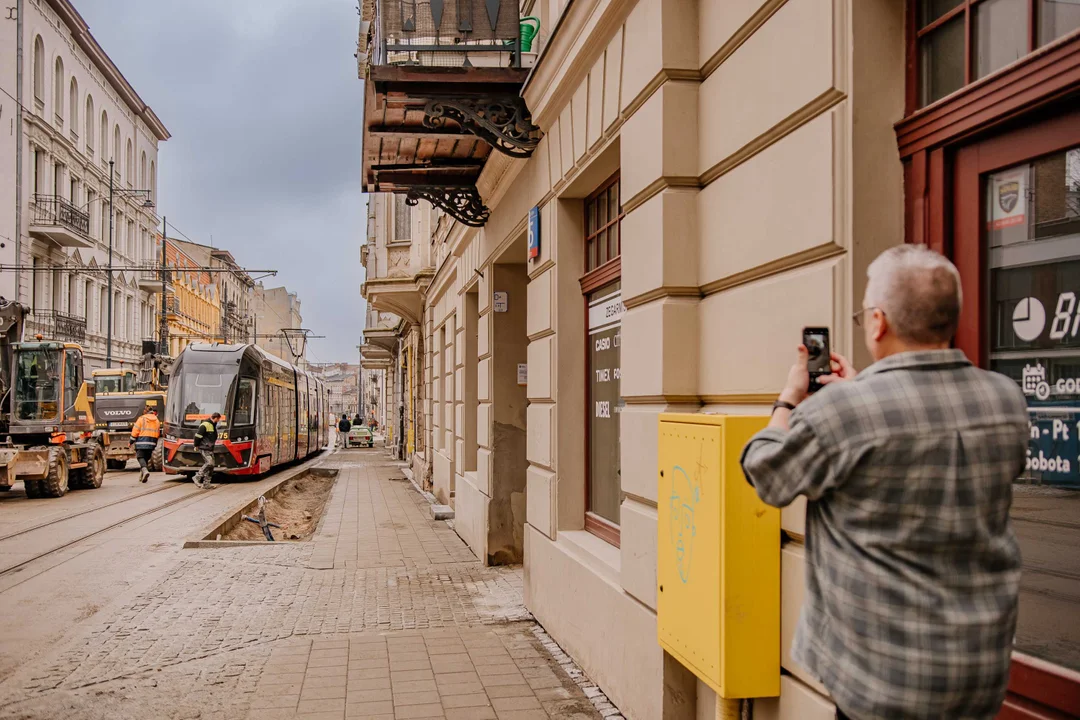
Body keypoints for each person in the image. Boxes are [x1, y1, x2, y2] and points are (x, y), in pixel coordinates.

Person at [740, 245, 1028, 720]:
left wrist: (788, 402)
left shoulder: (844, 411)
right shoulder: (1005, 400)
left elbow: (767, 474)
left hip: (882, 680)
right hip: (980, 670)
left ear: (878, 322)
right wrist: (862, 390)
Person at [130, 404, 161, 483]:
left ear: (145, 411)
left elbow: (135, 431)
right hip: (152, 443)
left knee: (140, 457)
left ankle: (144, 470)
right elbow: (158, 433)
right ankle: (142, 475)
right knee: (146, 458)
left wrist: (131, 441)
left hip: (141, 441)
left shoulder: (141, 419)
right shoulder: (157, 420)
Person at [192, 412, 221, 489]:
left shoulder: (212, 425)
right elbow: (198, 436)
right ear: (215, 418)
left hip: (210, 448)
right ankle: (197, 476)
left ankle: (206, 483)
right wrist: (196, 445)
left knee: (211, 466)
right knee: (209, 462)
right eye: (218, 419)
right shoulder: (205, 425)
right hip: (204, 448)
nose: (218, 421)